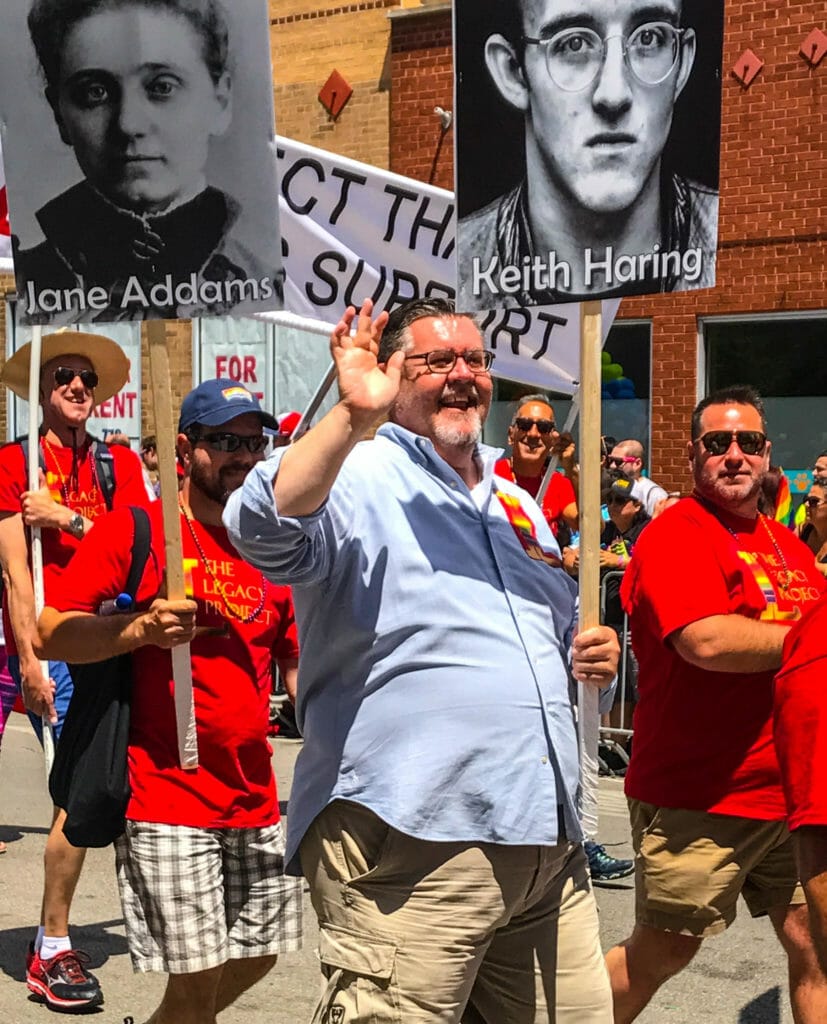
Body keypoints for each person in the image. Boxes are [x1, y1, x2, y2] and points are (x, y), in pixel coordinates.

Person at [224, 296, 620, 1024]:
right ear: (392, 374)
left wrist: (596, 654)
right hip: (412, 837)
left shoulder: (515, 502)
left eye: (474, 359)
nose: (461, 374)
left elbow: (556, 638)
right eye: (437, 360)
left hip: (542, 843)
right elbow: (262, 527)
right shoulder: (360, 468)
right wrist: (351, 414)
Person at [37, 379, 303, 1024]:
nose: (243, 455)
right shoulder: (139, 531)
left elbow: (295, 661)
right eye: (224, 441)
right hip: (167, 796)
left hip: (256, 797)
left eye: (253, 441)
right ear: (185, 448)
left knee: (262, 953)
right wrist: (139, 630)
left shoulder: (270, 545)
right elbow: (51, 631)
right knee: (198, 975)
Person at [605, 385, 827, 1023]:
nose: (734, 455)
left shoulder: (790, 549)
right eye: (718, 443)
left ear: (767, 456)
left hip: (791, 796)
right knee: (665, 949)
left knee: (813, 943)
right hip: (701, 794)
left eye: (749, 443)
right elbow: (706, 639)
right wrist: (813, 641)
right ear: (693, 453)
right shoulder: (678, 533)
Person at [0, 330, 151, 1012]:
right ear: (41, 388)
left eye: (87, 379)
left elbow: (141, 544)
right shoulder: (12, 463)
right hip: (55, 654)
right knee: (77, 798)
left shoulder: (118, 466)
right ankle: (52, 948)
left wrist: (67, 519)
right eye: (63, 375)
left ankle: (55, 940)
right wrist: (32, 659)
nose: (76, 387)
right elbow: (15, 577)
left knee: (99, 792)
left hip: (114, 644)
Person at [14, 0, 281, 324]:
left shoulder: (267, 288)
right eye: (94, 92)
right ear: (59, 113)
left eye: (162, 87)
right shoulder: (33, 287)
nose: (128, 124)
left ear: (220, 100)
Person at [457, 0, 719, 307]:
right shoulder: (456, 268)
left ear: (682, 63)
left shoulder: (725, 242)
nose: (613, 94)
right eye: (573, 43)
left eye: (649, 38)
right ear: (513, 72)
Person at [494, 393, 578, 540]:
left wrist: (571, 469)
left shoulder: (558, 484)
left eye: (543, 427)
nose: (533, 434)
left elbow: (593, 527)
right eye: (525, 425)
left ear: (553, 439)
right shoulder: (488, 476)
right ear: (510, 435)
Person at [606, 438, 667, 517]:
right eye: (610, 460)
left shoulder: (655, 495)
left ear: (637, 463)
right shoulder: (611, 486)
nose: (612, 466)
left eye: (618, 461)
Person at [797, 481, 827, 578]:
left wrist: (811, 566)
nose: (806, 505)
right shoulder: (803, 530)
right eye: (806, 499)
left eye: (814, 501)